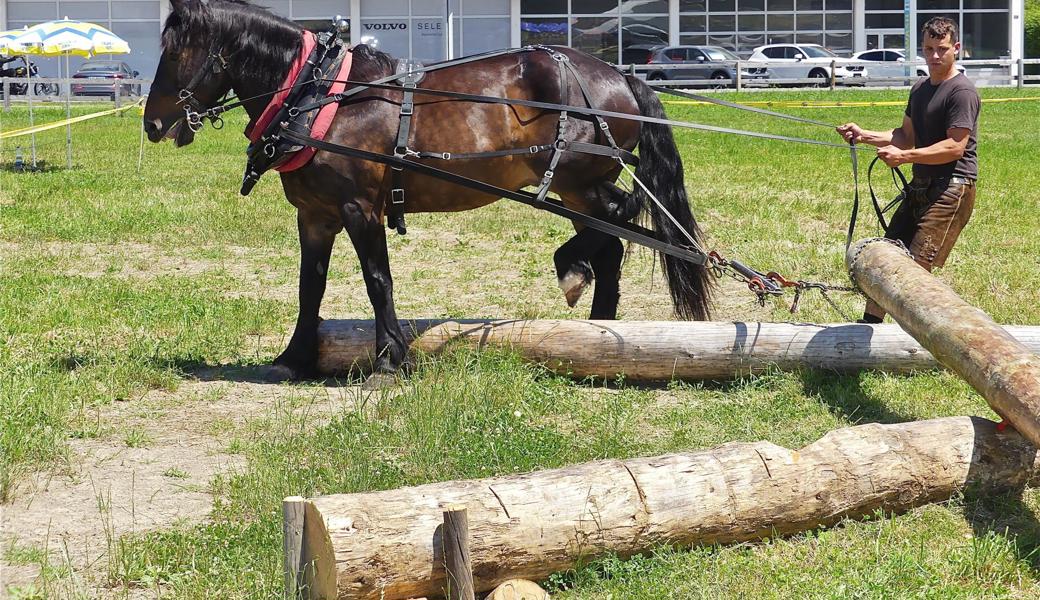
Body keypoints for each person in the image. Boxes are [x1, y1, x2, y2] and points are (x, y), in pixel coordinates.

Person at [836, 16, 980, 324]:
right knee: (888, 256)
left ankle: (926, 337)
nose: (934, 56)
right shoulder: (920, 89)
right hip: (921, 185)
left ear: (956, 48)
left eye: (941, 49)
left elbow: (955, 147)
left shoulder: (962, 92)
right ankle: (869, 326)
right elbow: (904, 136)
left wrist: (905, 157)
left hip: (952, 188)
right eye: (928, 49)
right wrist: (864, 136)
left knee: (913, 269)